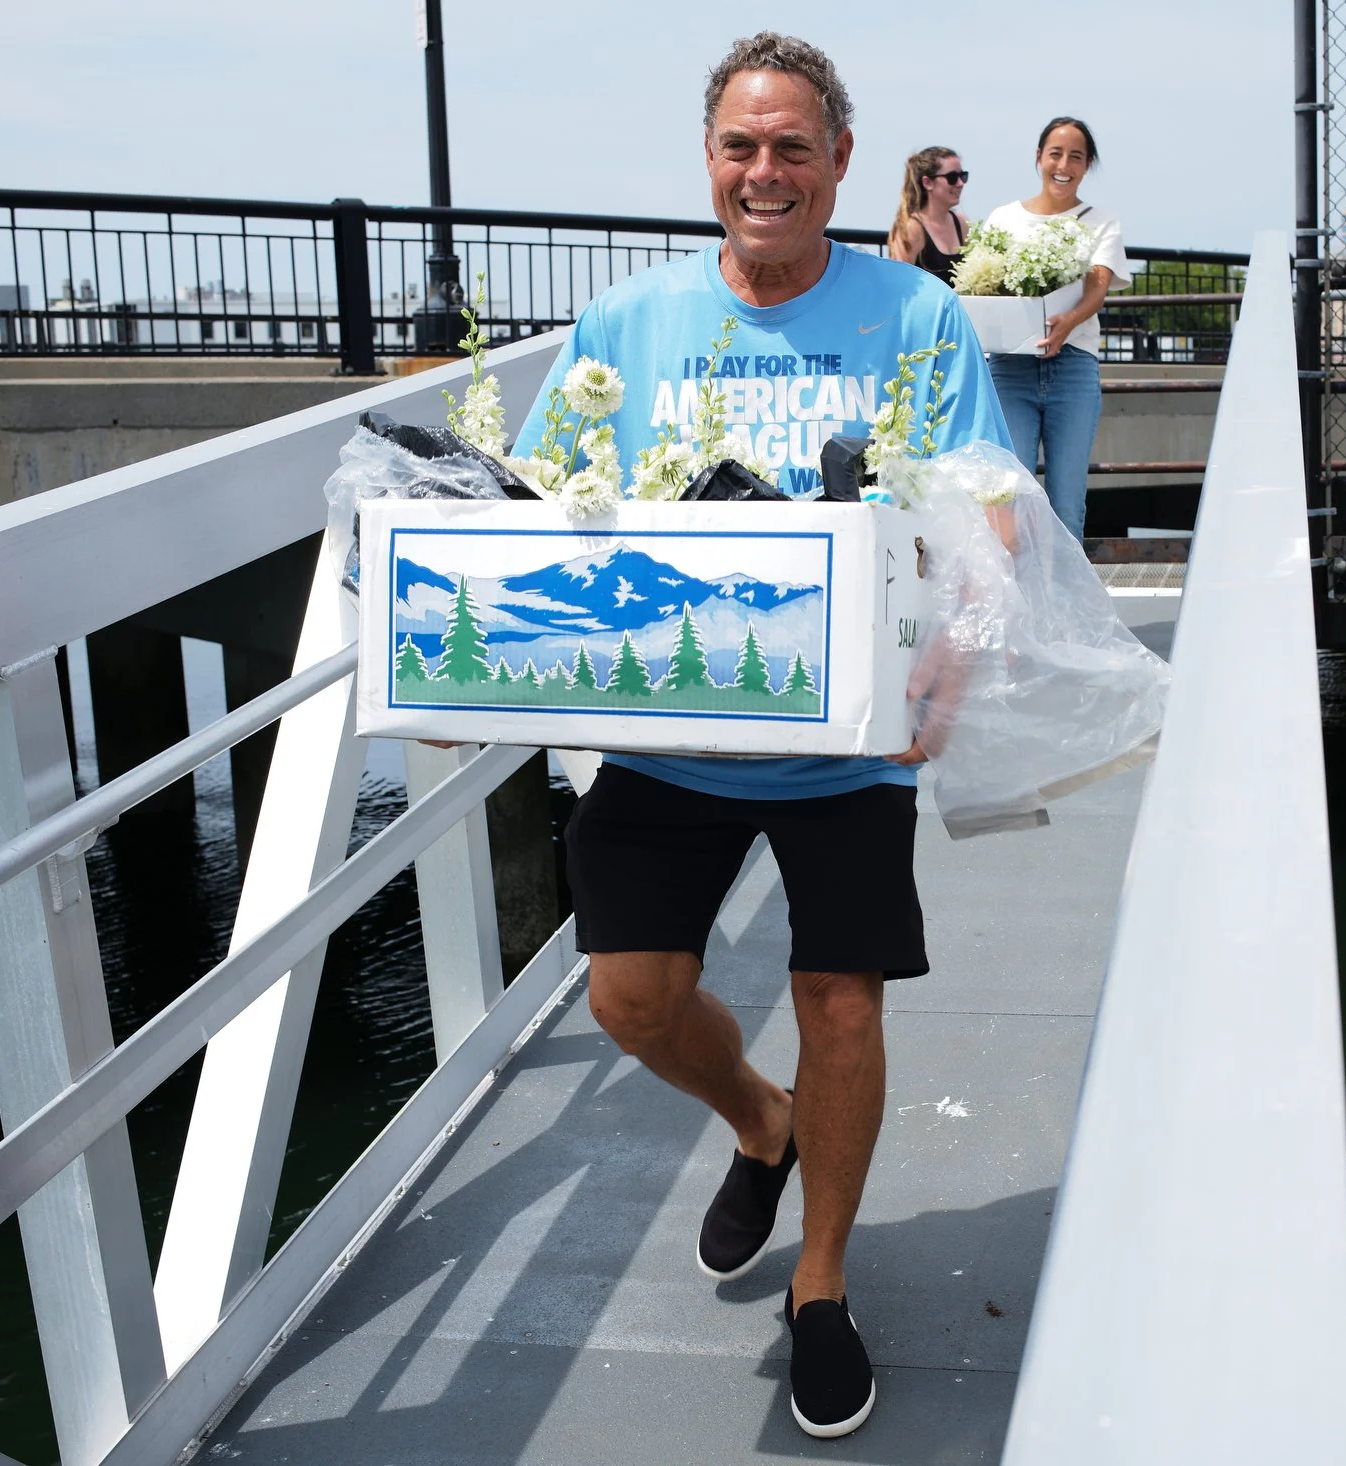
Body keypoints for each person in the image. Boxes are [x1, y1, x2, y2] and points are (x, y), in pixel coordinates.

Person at [505, 32, 1011, 1441]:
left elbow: (987, 509)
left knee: (843, 1001)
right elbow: (545, 501)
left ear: (843, 161)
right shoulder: (630, 326)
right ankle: (758, 1120)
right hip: (670, 726)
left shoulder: (914, 316)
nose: (766, 171)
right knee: (628, 997)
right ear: (710, 161)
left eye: (795, 146)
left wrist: (954, 667)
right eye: (742, 146)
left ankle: (824, 1283)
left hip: (845, 732)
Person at [978, 117, 1131, 541]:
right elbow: (985, 285)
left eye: (1076, 157)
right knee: (1011, 493)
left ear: (1087, 166)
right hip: (1011, 367)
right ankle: (1019, 602)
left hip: (1074, 367)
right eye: (1055, 154)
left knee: (1067, 501)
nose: (1064, 165)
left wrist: (1068, 323)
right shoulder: (1004, 218)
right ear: (1039, 157)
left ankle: (1066, 606)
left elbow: (1097, 286)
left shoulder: (1101, 220)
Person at [886, 145, 970, 279]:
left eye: (963, 176)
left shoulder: (961, 223)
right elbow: (897, 282)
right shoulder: (911, 228)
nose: (960, 183)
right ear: (927, 182)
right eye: (952, 177)